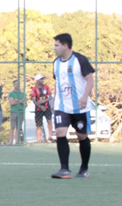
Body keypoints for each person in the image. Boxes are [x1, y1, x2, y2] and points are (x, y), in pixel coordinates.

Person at [50, 33, 95, 179]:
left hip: (79, 107)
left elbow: (90, 80)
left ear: (65, 45)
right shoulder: (56, 63)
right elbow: (58, 82)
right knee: (60, 132)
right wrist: (54, 101)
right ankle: (64, 169)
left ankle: (84, 168)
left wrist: (84, 97)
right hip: (62, 106)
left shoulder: (80, 60)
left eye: (56, 45)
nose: (54, 48)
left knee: (82, 136)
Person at [31, 74, 54, 143]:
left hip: (47, 107)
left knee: (49, 121)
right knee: (39, 125)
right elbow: (34, 100)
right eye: (41, 79)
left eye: (43, 79)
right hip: (38, 109)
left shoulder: (46, 87)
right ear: (37, 80)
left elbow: (50, 97)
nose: (43, 80)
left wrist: (43, 101)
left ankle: (50, 136)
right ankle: (39, 140)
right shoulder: (34, 89)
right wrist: (40, 106)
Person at [8, 79, 26, 145]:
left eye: (18, 84)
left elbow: (23, 101)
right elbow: (11, 102)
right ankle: (10, 141)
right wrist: (19, 101)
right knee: (12, 127)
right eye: (15, 84)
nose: (16, 85)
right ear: (13, 85)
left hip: (21, 111)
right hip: (14, 111)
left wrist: (16, 100)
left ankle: (17, 141)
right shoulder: (11, 93)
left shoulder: (23, 93)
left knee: (18, 127)